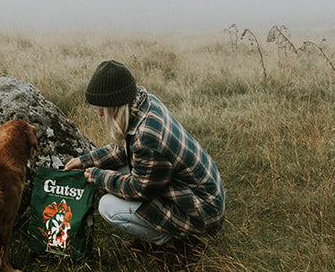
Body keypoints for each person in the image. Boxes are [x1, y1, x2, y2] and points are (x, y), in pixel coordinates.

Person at [64, 60, 225, 249]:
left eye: (104, 107)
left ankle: (179, 246)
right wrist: (84, 161)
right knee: (115, 174)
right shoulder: (145, 103)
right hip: (200, 195)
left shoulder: (147, 137)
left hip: (201, 214)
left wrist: (98, 176)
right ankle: (159, 233)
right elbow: (123, 149)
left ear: (117, 106)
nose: (100, 113)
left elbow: (138, 189)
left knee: (108, 207)